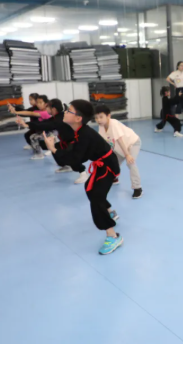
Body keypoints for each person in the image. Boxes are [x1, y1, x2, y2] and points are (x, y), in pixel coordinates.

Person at [43, 100, 123, 256]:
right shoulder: (79, 131)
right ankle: (109, 212)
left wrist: (53, 148)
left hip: (107, 165)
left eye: (69, 110)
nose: (65, 112)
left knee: (96, 197)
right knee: (89, 189)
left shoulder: (85, 134)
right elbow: (77, 152)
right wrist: (55, 148)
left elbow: (75, 159)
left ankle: (113, 236)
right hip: (102, 163)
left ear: (78, 118)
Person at [95, 103, 143, 200]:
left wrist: (127, 155)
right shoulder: (101, 126)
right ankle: (115, 177)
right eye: (96, 118)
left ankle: (137, 188)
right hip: (119, 147)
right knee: (112, 162)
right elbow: (103, 142)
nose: (98, 120)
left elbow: (120, 140)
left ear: (108, 116)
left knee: (130, 163)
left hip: (132, 143)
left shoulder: (114, 124)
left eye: (101, 117)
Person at [167, 61, 183, 126]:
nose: (182, 67)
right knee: (179, 104)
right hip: (179, 90)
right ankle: (177, 120)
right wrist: (174, 84)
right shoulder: (174, 73)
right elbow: (167, 79)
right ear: (178, 66)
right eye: (181, 65)